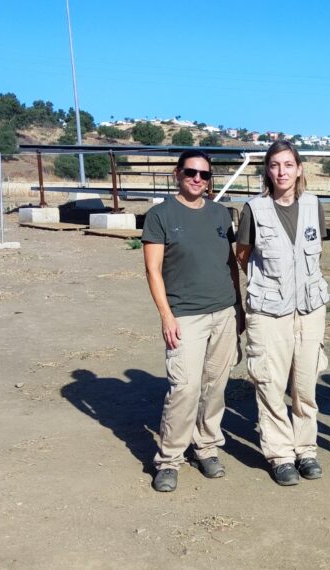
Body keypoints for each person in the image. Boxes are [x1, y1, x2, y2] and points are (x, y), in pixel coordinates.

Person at [142, 150, 241, 492]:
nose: (198, 179)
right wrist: (166, 315)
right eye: (191, 172)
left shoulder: (220, 214)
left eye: (204, 174)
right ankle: (169, 458)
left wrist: (238, 309)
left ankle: (207, 446)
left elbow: (231, 265)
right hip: (185, 315)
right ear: (177, 174)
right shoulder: (160, 215)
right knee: (184, 388)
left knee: (215, 387)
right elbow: (153, 270)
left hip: (223, 312)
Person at [236, 141, 329, 486]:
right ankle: (280, 455)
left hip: (309, 310)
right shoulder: (254, 209)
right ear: (267, 171)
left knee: (305, 385)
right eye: (275, 165)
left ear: (299, 168)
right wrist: (271, 288)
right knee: (271, 384)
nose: (282, 172)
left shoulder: (313, 205)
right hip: (269, 312)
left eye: (288, 165)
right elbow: (243, 255)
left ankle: (306, 449)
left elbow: (313, 255)